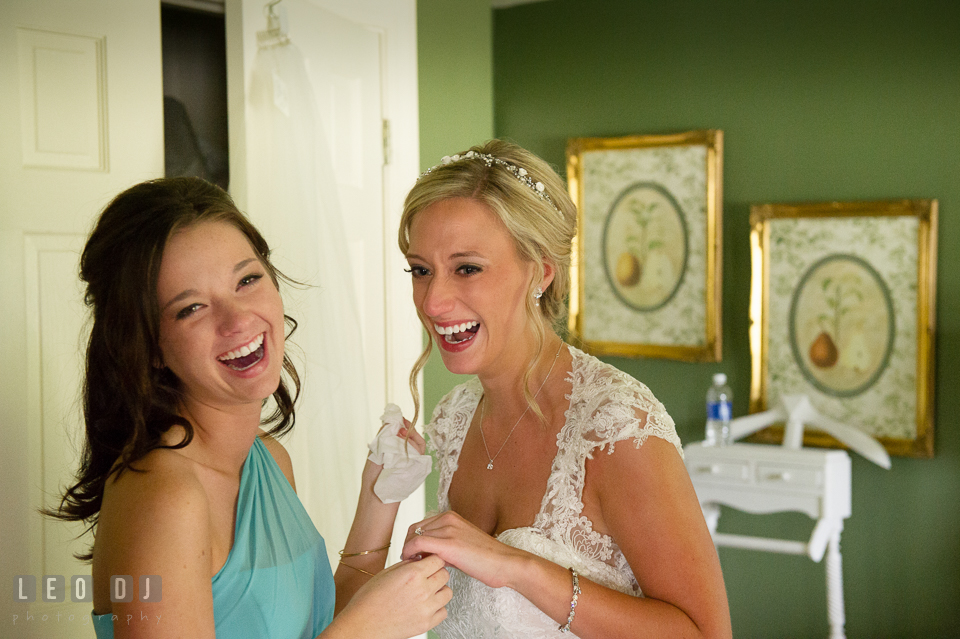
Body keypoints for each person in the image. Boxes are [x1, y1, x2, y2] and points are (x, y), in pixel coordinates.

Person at [48, 177, 450, 639]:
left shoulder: (269, 461)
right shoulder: (163, 499)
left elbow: (309, 626)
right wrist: (365, 631)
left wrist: (379, 502)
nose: (238, 319)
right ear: (149, 345)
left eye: (247, 280)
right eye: (192, 308)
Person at [395, 140, 733, 638]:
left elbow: (707, 635)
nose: (434, 301)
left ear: (541, 271)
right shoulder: (453, 419)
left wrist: (519, 568)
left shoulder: (616, 425)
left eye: (467, 268)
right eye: (421, 271)